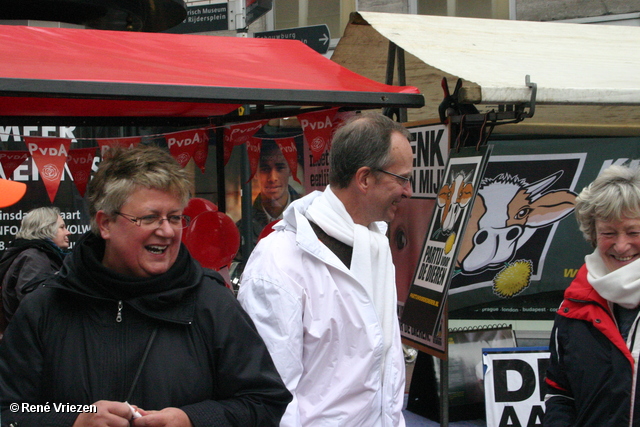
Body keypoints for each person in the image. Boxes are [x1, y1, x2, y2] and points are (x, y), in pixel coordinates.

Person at [0, 145, 291, 427]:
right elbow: (11, 409)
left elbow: (264, 401)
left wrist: (194, 420)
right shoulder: (45, 307)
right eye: (150, 217)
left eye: (175, 218)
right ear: (106, 224)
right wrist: (75, 416)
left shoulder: (212, 303)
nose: (166, 231)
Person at [238, 113, 413, 426]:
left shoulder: (374, 243)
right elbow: (268, 399)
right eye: (401, 178)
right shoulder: (279, 262)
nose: (408, 190)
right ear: (364, 179)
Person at [544, 164, 640, 426]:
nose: (621, 245)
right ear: (593, 234)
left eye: (634, 232)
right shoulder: (573, 305)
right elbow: (560, 394)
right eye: (608, 232)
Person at [0, 207, 71, 328]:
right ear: (46, 229)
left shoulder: (35, 255)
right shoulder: (35, 258)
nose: (68, 232)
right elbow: (36, 306)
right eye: (62, 227)